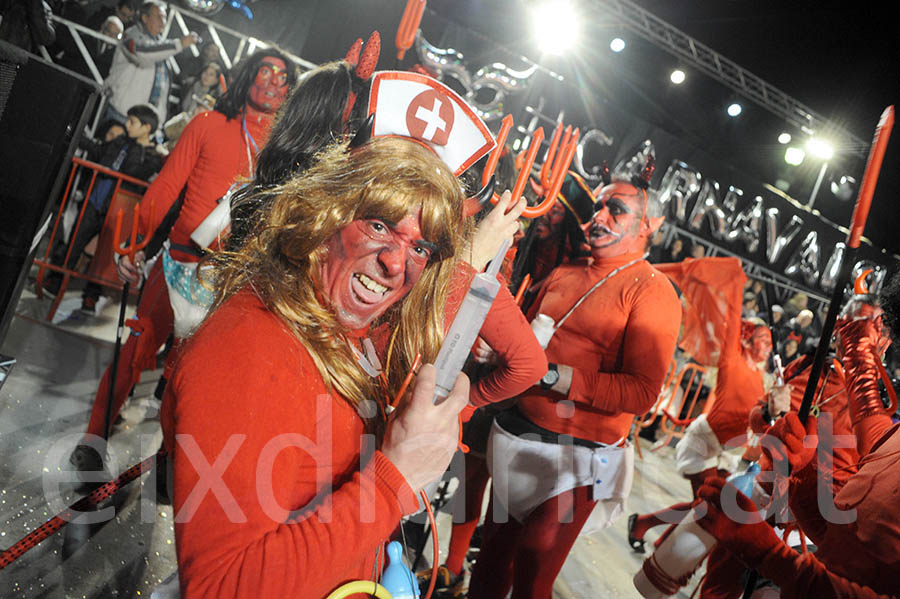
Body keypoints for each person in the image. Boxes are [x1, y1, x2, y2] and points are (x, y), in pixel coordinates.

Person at [162, 69, 533, 597]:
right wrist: (394, 479)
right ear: (325, 213)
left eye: (420, 247)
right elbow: (219, 587)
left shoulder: (344, 329)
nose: (394, 261)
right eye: (379, 224)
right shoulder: (250, 344)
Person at [68, 50, 297, 474]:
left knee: (195, 378)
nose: (272, 81)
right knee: (136, 350)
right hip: (178, 262)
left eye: (283, 76)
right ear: (247, 75)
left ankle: (167, 463)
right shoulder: (208, 124)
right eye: (265, 70)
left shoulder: (285, 151)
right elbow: (166, 188)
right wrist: (134, 246)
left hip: (232, 279)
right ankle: (93, 437)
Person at [468, 160, 682, 599]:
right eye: (599, 205)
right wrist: (494, 352)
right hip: (516, 437)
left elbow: (641, 394)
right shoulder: (565, 273)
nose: (598, 216)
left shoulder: (653, 290)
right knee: (491, 561)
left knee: (534, 568)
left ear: (650, 224)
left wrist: (550, 376)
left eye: (616, 209)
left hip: (586, 460)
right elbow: (523, 342)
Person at [690, 277, 900, 598]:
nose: (851, 335)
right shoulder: (807, 366)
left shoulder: (879, 405)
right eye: (849, 324)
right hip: (772, 490)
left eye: (867, 327)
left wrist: (772, 555)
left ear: (884, 339)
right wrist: (771, 418)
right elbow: (760, 418)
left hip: (809, 527)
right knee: (716, 573)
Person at [627, 259, 772, 553]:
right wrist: (737, 286)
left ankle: (655, 537)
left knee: (707, 508)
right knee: (706, 506)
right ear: (747, 339)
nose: (768, 346)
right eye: (763, 339)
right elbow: (732, 316)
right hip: (703, 442)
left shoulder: (762, 378)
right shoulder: (731, 358)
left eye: (770, 342)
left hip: (726, 451)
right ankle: (646, 528)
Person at [43, 103, 163, 312]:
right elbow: (98, 150)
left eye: (132, 122)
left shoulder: (150, 155)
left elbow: (135, 172)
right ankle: (55, 281)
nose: (127, 125)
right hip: (96, 200)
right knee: (75, 242)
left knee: (106, 255)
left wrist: (145, 151)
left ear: (147, 128)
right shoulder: (120, 141)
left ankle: (91, 296)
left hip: (118, 210)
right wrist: (77, 136)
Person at [104, 0, 198, 124]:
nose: (162, 21)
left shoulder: (159, 45)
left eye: (164, 17)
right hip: (122, 116)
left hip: (144, 122)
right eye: (158, 16)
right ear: (145, 18)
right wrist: (179, 44)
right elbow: (142, 54)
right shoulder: (132, 35)